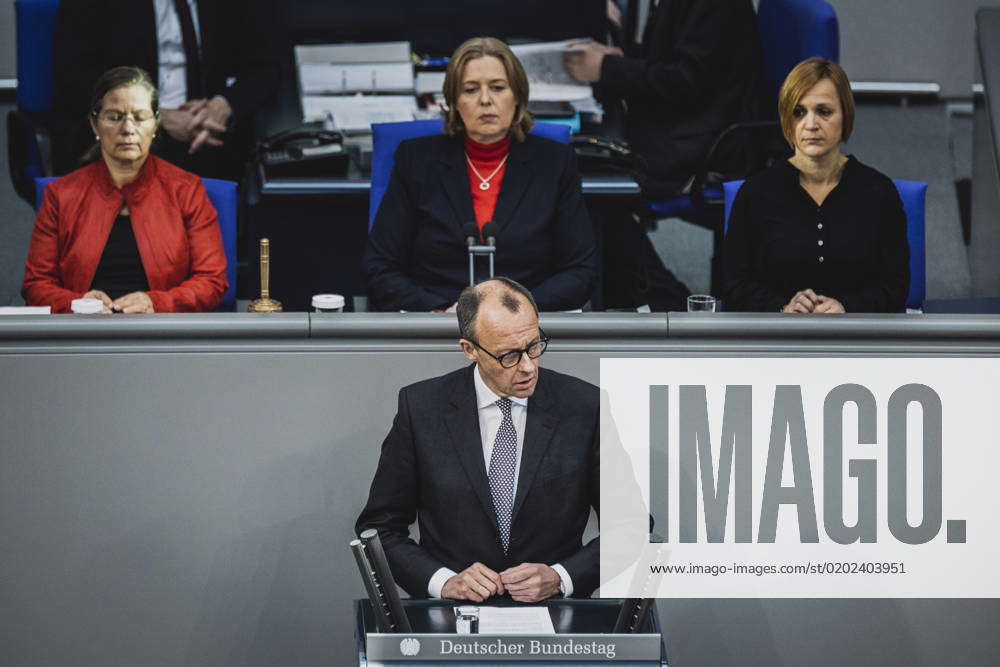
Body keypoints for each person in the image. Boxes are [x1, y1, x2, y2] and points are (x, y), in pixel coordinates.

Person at [356, 277, 600, 601]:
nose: (528, 366)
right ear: (469, 349)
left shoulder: (584, 406)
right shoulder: (421, 409)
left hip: (554, 617)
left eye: (534, 346)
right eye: (509, 355)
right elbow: (379, 531)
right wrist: (443, 582)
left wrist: (561, 577)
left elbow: (632, 528)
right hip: (452, 621)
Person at [363, 37, 598, 313]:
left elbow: (581, 270)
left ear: (517, 96)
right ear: (453, 101)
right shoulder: (416, 161)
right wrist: (441, 311)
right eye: (471, 90)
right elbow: (379, 267)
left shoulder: (555, 163)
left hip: (527, 326)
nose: (485, 100)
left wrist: (517, 311)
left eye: (498, 88)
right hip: (437, 325)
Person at [22, 67, 228, 314]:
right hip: (83, 333)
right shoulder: (60, 195)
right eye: (114, 116)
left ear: (155, 125)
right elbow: (36, 286)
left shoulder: (187, 190)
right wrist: (78, 303)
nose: (128, 129)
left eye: (140, 117)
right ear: (95, 126)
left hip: (164, 334)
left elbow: (211, 282)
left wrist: (156, 303)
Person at [722, 58, 909, 313]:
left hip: (856, 339)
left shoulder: (879, 192)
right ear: (787, 120)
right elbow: (734, 286)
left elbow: (896, 287)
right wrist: (783, 307)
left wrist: (847, 306)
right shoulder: (755, 193)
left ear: (845, 115)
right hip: (777, 339)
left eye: (824, 111)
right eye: (799, 112)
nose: (811, 125)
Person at [51, 0, 280, 179]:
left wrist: (223, 106)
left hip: (209, 130)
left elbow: (267, 65)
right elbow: (74, 76)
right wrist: (154, 116)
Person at [564, 0, 763, 198]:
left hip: (705, 139)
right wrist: (617, 58)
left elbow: (685, 82)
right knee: (576, 157)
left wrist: (607, 68)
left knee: (582, 170)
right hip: (681, 121)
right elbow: (668, 57)